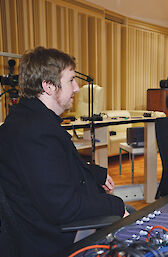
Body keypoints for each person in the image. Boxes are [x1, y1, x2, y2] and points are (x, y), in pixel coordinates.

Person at [0, 46, 128, 257]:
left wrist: (97, 174)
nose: (77, 88)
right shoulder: (36, 133)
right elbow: (64, 206)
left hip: (42, 226)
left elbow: (55, 167)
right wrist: (115, 205)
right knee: (129, 216)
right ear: (49, 86)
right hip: (51, 239)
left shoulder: (28, 120)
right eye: (70, 80)